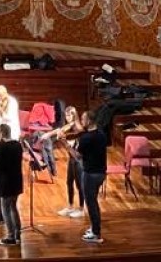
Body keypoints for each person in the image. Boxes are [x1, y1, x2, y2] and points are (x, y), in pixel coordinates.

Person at [0, 123, 26, 248]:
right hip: (16, 181)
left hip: (6, 182)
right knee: (13, 207)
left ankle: (10, 237)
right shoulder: (17, 145)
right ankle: (17, 234)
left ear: (1, 133)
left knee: (5, 209)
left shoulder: (3, 147)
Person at [74, 110, 109, 245]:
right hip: (101, 173)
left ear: (89, 121)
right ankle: (95, 228)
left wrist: (65, 142)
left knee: (91, 204)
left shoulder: (86, 138)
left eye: (83, 119)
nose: (82, 121)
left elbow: (77, 156)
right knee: (93, 202)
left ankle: (96, 234)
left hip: (90, 174)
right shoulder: (101, 134)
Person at [52, 105, 84, 218]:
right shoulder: (69, 127)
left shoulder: (78, 128)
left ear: (74, 115)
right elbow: (62, 133)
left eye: (70, 115)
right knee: (69, 182)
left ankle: (81, 208)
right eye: (66, 115)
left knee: (79, 185)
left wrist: (63, 139)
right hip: (71, 158)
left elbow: (74, 144)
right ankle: (70, 206)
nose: (67, 117)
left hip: (78, 159)